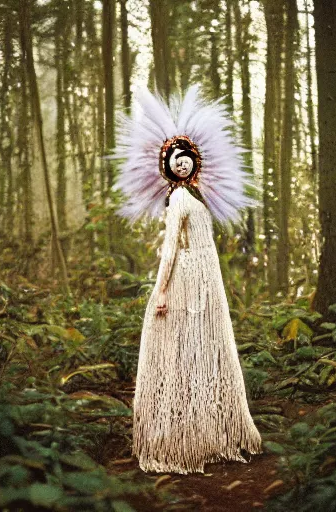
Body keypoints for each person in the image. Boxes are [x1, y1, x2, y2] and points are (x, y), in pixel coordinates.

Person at [113, 85, 262, 474]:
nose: (181, 165)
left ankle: (205, 432)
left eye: (186, 160)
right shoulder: (179, 200)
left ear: (195, 164)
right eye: (175, 162)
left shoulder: (194, 199)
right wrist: (161, 290)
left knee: (200, 345)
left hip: (205, 279)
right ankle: (183, 438)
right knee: (187, 346)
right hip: (186, 278)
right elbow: (170, 249)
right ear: (168, 168)